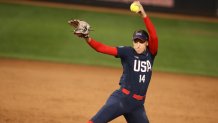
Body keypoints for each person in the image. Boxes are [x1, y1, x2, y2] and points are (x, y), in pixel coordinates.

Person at [72, 1, 158, 123]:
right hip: (121, 99)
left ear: (147, 43)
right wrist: (87, 38)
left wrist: (143, 14)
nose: (138, 44)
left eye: (141, 41)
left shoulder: (151, 54)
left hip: (137, 106)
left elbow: (154, 36)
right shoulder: (127, 52)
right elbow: (101, 48)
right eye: (136, 41)